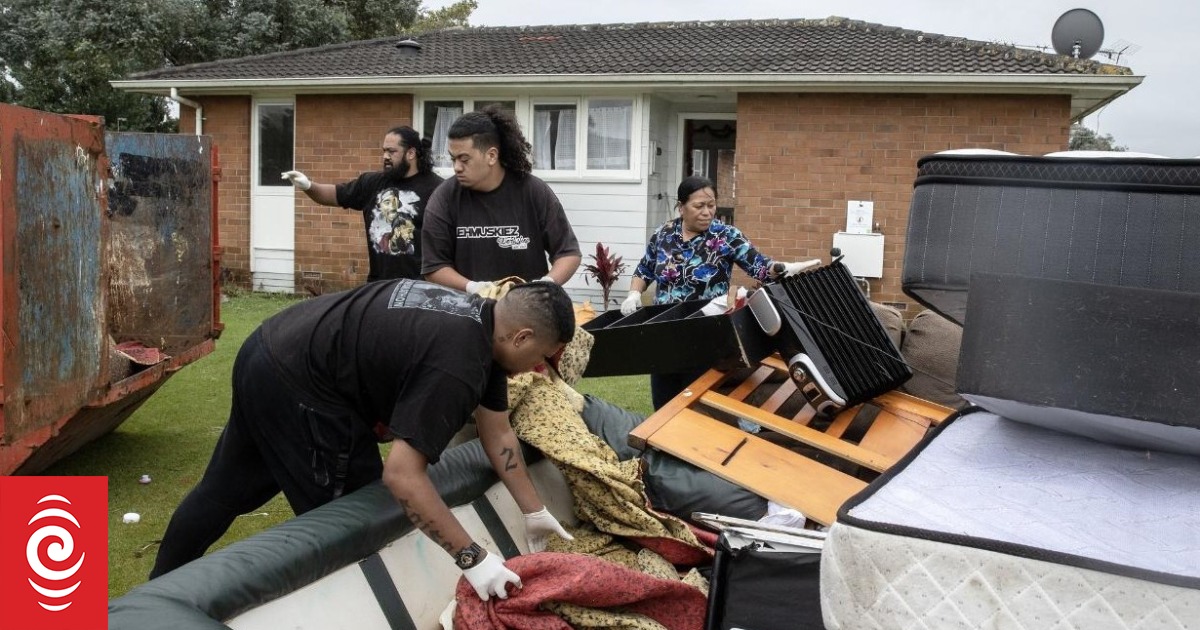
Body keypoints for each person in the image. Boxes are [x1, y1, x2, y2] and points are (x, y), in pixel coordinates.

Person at [150, 280, 576, 601]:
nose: (539, 366)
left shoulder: (482, 323)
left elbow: (497, 431)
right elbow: (403, 478)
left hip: (272, 346)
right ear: (521, 337)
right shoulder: (458, 365)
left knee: (225, 489)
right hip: (304, 384)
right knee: (360, 519)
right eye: (542, 356)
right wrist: (474, 559)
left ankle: (151, 597)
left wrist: (534, 509)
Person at [622, 176, 818, 409]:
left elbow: (760, 267)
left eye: (711, 205)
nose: (707, 212)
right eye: (699, 206)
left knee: (696, 405)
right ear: (681, 207)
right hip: (665, 334)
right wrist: (634, 293)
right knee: (663, 404)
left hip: (705, 335)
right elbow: (644, 270)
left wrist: (781, 268)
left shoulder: (726, 236)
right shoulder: (663, 234)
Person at [421, 106, 581, 295]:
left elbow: (568, 253)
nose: (456, 167)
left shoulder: (533, 192)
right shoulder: (445, 198)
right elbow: (433, 267)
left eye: (464, 159)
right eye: (453, 159)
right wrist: (474, 288)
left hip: (525, 312)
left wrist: (546, 284)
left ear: (491, 155)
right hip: (466, 315)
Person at [282, 126, 443, 282]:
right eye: (384, 151)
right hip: (378, 286)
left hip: (418, 286)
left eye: (392, 151)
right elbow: (333, 195)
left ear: (411, 153)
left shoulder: (436, 189)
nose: (385, 156)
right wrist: (308, 185)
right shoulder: (371, 183)